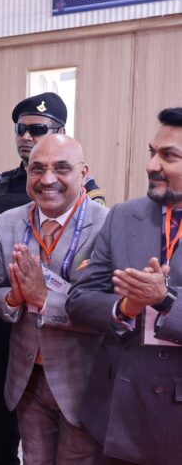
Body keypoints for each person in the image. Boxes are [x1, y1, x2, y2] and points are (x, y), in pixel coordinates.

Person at [0, 91, 105, 465]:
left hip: (81, 378)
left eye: (61, 168)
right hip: (26, 377)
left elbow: (109, 310)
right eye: (37, 169)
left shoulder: (107, 225)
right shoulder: (8, 222)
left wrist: (44, 299)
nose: (47, 179)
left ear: (83, 173)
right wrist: (13, 299)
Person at [67, 107, 182, 465]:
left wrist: (165, 300)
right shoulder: (122, 215)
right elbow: (79, 300)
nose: (151, 165)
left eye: (169, 156)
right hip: (119, 409)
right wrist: (123, 308)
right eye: (152, 152)